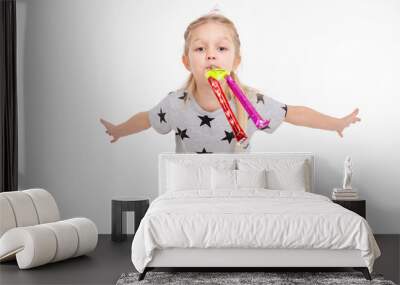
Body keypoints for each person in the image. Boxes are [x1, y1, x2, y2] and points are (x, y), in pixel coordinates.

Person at [100, 12, 361, 153]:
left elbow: (295, 114)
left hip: (238, 193)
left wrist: (335, 123)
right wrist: (120, 129)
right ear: (186, 61)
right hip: (190, 194)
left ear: (236, 61)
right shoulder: (176, 103)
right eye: (200, 49)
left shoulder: (250, 102)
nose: (211, 54)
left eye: (221, 48)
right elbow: (146, 119)